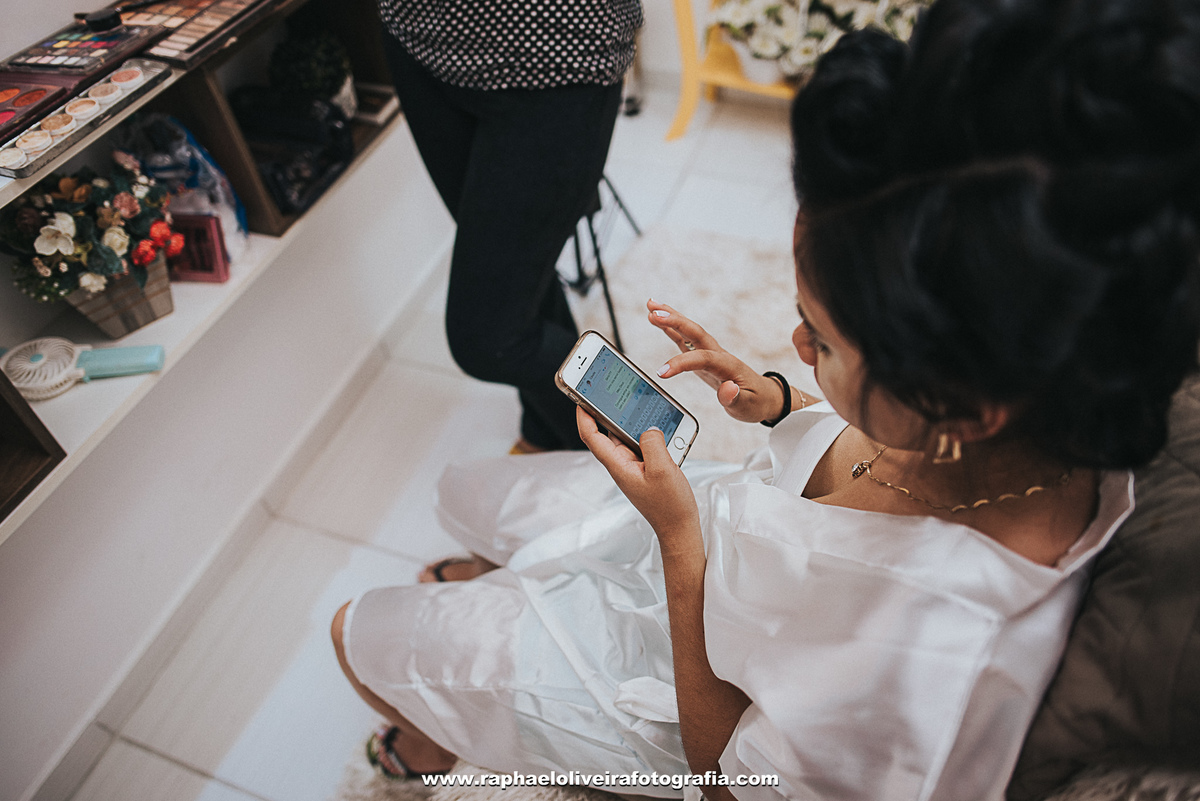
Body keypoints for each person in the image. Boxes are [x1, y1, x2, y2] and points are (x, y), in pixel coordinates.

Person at [332, 0, 1200, 796]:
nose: (795, 346)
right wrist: (784, 400)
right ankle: (513, 577)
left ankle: (429, 739)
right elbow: (874, 463)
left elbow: (727, 781)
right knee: (474, 490)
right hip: (725, 532)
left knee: (359, 631)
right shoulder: (1030, 407)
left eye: (820, 338)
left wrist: (679, 544)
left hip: (682, 680)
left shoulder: (942, 663)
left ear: (957, 408)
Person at [376, 0, 643, 457]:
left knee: (487, 338)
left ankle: (639, 438)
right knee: (519, 285)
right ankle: (551, 436)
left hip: (557, 53)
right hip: (417, 35)